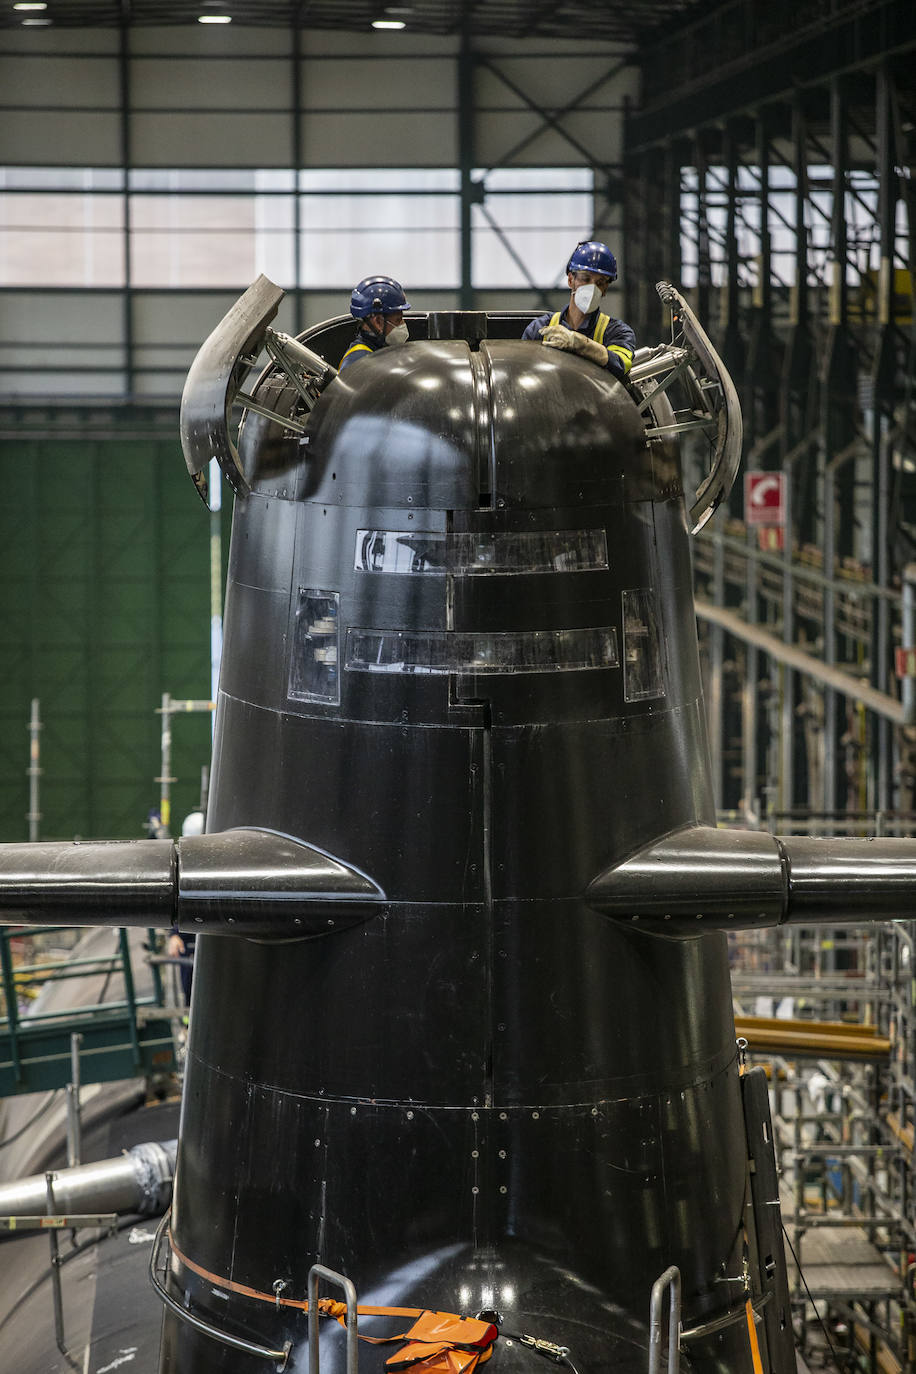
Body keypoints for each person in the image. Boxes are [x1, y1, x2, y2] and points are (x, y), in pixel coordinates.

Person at [522, 240, 635, 380]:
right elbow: (522, 372)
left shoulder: (617, 332)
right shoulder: (539, 329)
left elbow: (622, 364)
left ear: (605, 289)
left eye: (600, 283)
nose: (592, 288)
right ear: (570, 280)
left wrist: (581, 344)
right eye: (585, 279)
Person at [339, 275, 411, 369]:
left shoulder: (377, 353)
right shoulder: (359, 362)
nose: (403, 325)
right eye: (398, 320)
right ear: (378, 322)